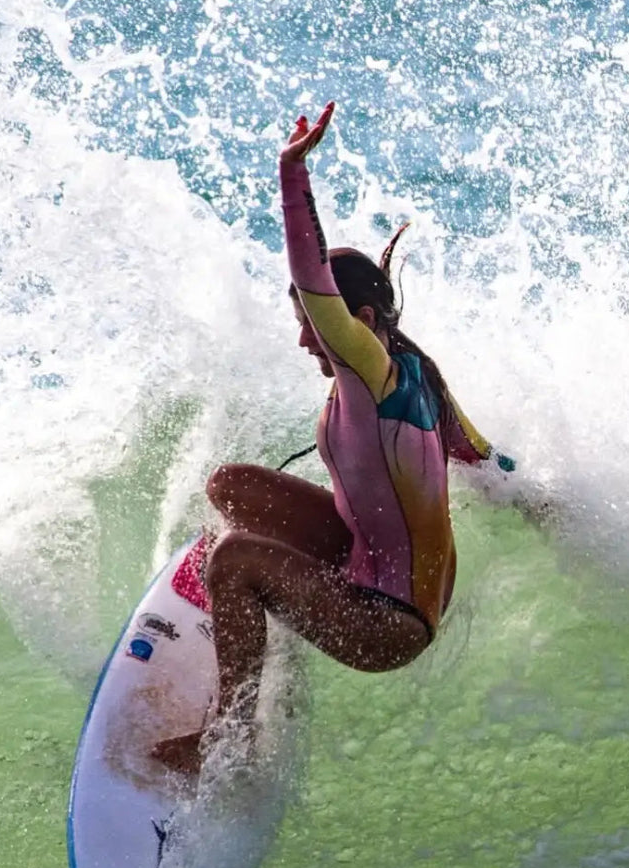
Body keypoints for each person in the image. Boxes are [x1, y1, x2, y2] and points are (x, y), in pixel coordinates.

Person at [153, 102, 513, 774]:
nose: (302, 338)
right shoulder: (416, 372)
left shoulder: (373, 372)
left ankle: (228, 744)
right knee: (229, 486)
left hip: (390, 620)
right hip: (367, 560)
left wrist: (293, 174)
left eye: (312, 327)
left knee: (233, 559)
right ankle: (257, 622)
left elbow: (315, 280)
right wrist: (552, 503)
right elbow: (488, 459)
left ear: (362, 321)